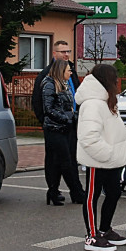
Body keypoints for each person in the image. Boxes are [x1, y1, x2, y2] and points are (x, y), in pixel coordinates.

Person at [74, 64, 126, 251]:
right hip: (97, 160)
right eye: (114, 78)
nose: (117, 81)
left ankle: (105, 229)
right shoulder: (93, 103)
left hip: (110, 160)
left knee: (113, 193)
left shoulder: (105, 100)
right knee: (92, 197)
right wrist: (107, 154)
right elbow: (88, 137)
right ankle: (91, 236)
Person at [32, 40, 81, 201]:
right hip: (55, 126)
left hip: (70, 124)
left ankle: (56, 192)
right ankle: (61, 190)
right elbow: (41, 104)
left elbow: (77, 96)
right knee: (57, 160)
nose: (66, 54)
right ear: (54, 54)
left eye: (68, 51)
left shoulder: (70, 73)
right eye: (62, 52)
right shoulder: (47, 76)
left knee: (70, 158)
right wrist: (47, 121)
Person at [41, 59, 85, 206]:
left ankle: (53, 192)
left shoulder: (64, 85)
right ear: (61, 71)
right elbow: (49, 109)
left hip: (66, 129)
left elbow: (70, 108)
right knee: (65, 162)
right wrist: (66, 118)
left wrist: (74, 117)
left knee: (59, 162)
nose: (70, 73)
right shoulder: (49, 85)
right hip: (55, 129)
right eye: (68, 70)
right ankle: (76, 192)